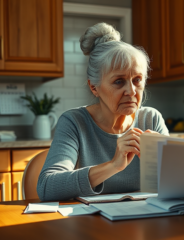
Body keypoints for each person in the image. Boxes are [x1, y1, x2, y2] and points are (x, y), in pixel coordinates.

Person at [37, 23, 169, 201]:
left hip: (145, 221)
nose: (131, 91)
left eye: (137, 80)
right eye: (119, 81)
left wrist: (164, 161)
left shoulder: (151, 119)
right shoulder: (74, 122)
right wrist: (114, 165)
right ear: (94, 87)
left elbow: (181, 185)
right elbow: (47, 187)